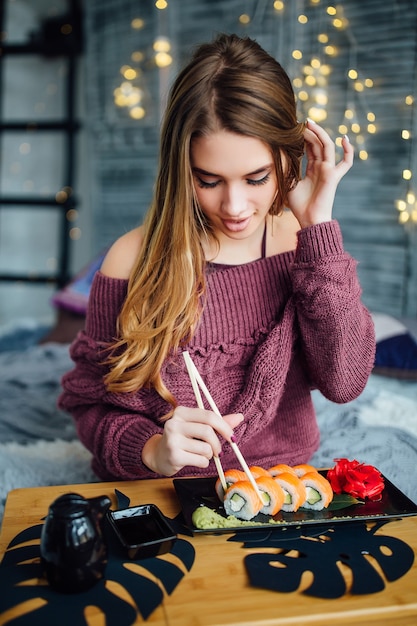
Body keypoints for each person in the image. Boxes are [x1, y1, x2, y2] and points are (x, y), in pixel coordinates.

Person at [59, 33, 375, 482]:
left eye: (257, 178)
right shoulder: (131, 260)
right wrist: (151, 450)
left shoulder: (303, 246)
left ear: (290, 158)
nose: (234, 207)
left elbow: (344, 382)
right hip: (164, 493)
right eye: (208, 181)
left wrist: (318, 226)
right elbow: (91, 405)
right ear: (179, 167)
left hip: (282, 488)